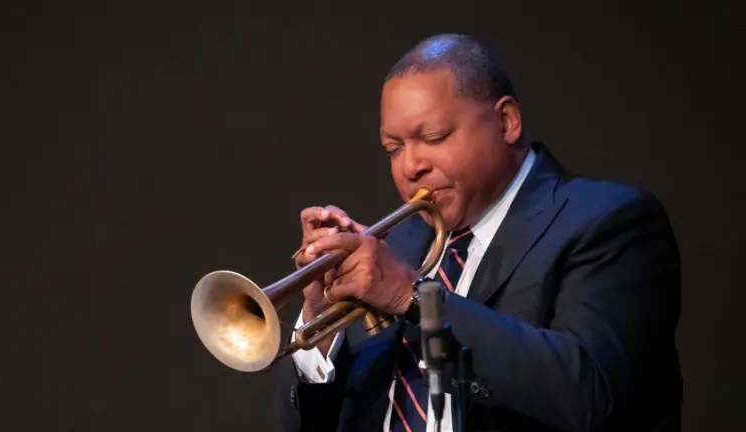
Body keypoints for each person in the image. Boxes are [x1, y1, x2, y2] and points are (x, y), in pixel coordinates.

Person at [274, 33, 682, 432]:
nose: (410, 166)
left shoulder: (609, 222)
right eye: (393, 148)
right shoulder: (398, 247)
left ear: (506, 121)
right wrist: (320, 323)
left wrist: (412, 296)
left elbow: (591, 395)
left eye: (433, 137)